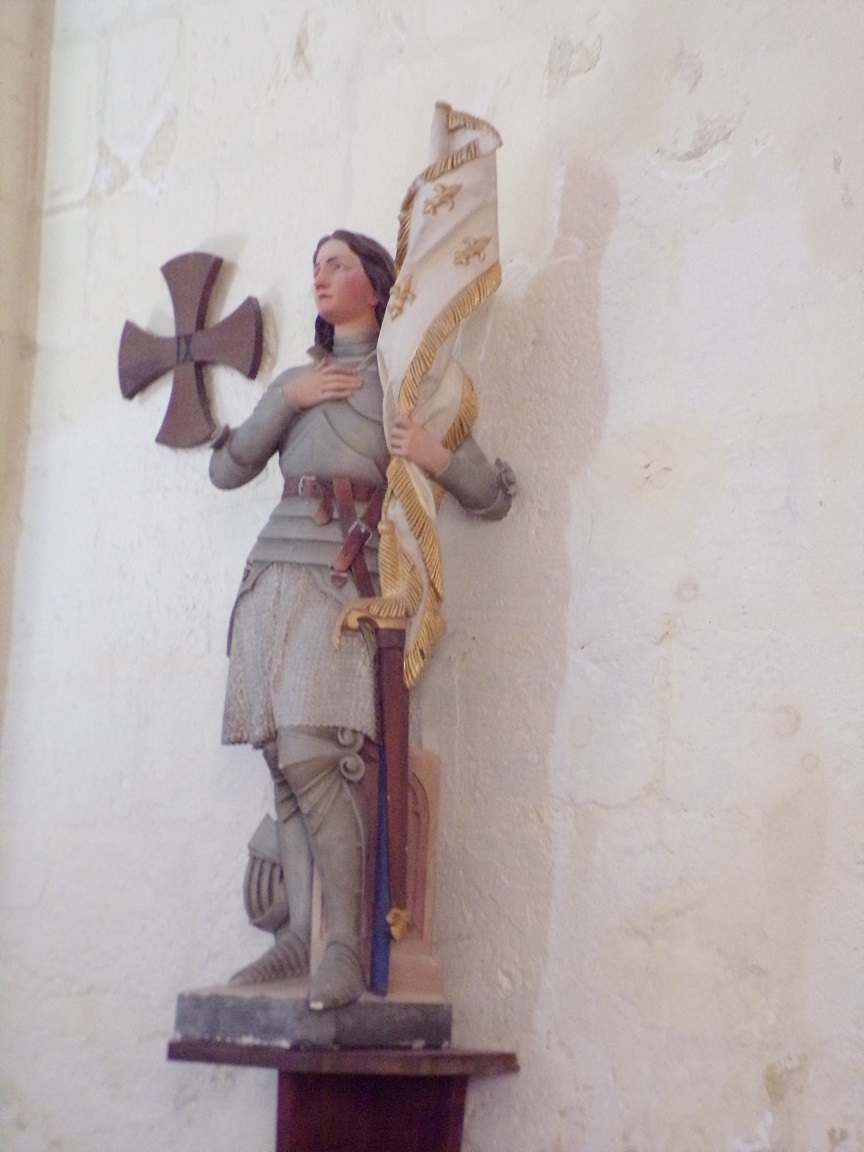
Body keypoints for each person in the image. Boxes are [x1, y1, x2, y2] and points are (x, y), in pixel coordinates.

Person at [210, 230, 513, 1010]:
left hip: (345, 587)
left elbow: (490, 491)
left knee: (318, 755)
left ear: (375, 284)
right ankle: (296, 941)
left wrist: (434, 456)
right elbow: (227, 467)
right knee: (282, 758)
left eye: (337, 263)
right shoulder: (299, 380)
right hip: (270, 577)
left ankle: (342, 946)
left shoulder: (404, 379)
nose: (321, 274)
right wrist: (287, 398)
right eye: (314, 264)